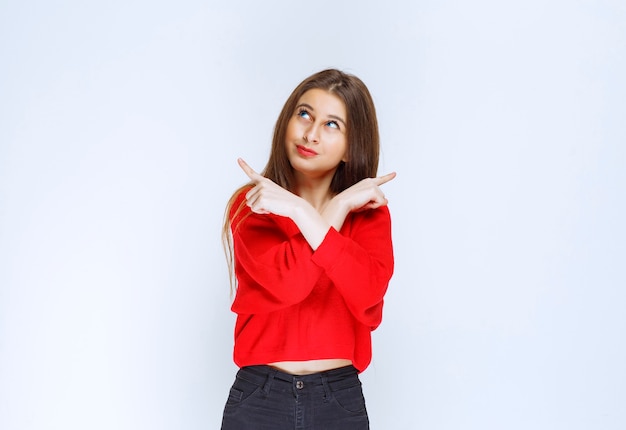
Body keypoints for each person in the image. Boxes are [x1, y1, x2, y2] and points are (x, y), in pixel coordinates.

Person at [220, 68, 395, 430]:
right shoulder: (253, 205)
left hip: (338, 400)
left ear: (352, 145)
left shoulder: (368, 214)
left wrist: (314, 212)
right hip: (259, 400)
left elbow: (368, 299)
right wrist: (329, 209)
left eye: (332, 125)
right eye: (304, 114)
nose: (311, 134)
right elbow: (289, 284)